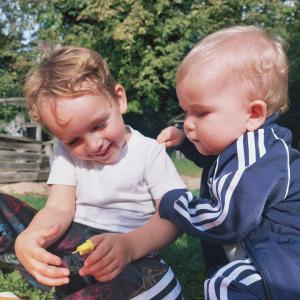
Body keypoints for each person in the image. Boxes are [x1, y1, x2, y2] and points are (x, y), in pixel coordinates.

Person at [0, 46, 186, 299]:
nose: (94, 144)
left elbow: (173, 218)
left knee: (154, 285)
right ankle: (38, 267)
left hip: (124, 255)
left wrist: (130, 246)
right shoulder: (66, 154)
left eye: (99, 125)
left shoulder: (148, 152)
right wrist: (29, 238)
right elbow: (58, 209)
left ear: (119, 99)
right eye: (74, 140)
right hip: (69, 251)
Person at [157, 25, 300, 300]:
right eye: (186, 111)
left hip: (285, 263)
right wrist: (185, 142)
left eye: (201, 112)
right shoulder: (245, 145)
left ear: (253, 114)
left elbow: (225, 220)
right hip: (272, 256)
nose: (188, 122)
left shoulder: (258, 157)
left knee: (224, 283)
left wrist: (172, 202)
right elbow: (216, 164)